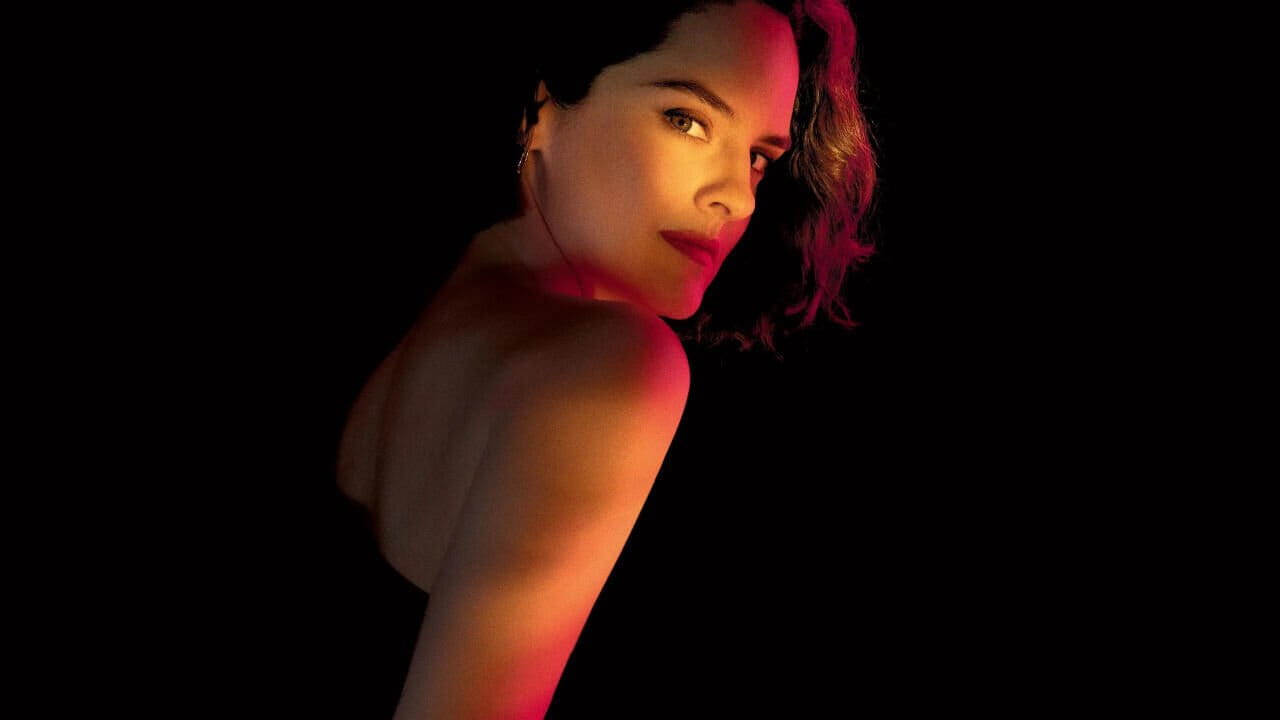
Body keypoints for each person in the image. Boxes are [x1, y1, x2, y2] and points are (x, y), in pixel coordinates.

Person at [334, 1, 878, 716]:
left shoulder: (439, 308)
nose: (737, 200)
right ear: (541, 110)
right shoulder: (616, 366)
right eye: (686, 119)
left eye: (757, 158)